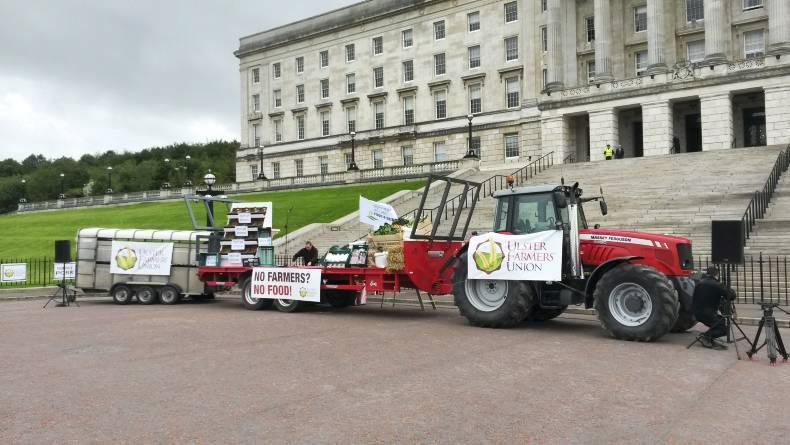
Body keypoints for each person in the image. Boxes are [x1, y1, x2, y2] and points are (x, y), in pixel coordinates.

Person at [692, 266, 737, 349]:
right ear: (717, 274)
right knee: (723, 328)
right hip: (707, 313)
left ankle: (709, 337)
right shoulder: (716, 284)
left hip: (697, 312)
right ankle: (705, 336)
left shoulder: (699, 282)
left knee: (720, 322)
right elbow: (732, 295)